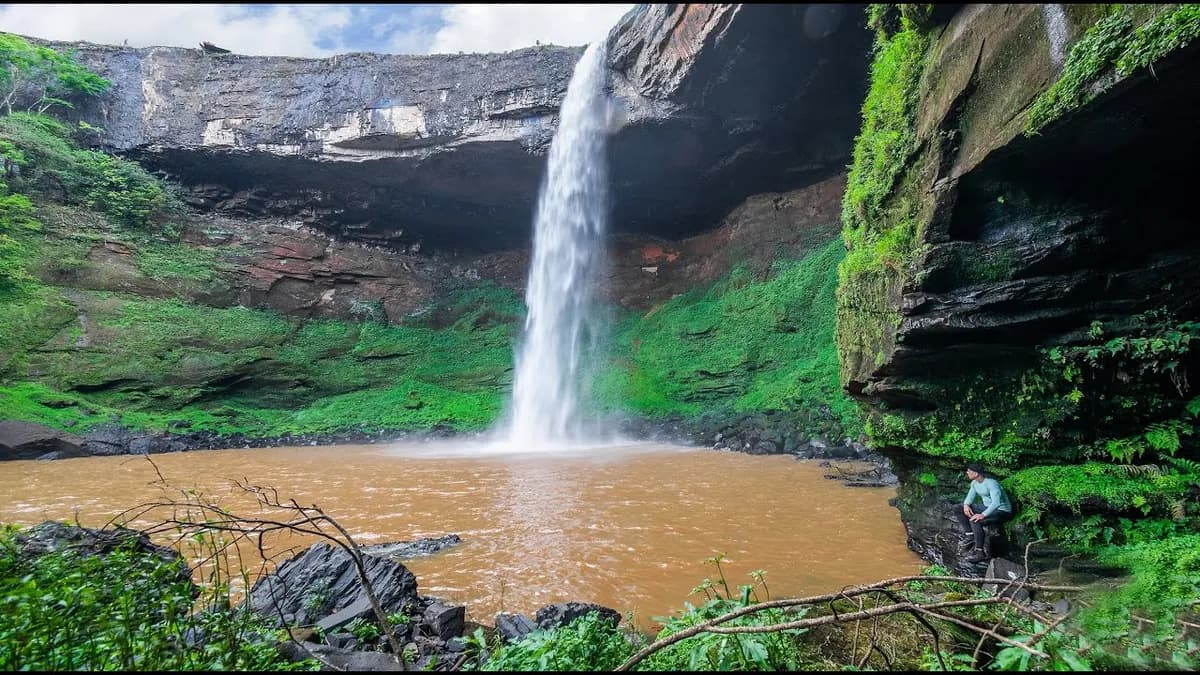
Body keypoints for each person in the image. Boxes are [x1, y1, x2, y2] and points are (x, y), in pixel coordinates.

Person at [955, 463, 1013, 562]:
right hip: (986, 507)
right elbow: (970, 497)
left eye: (969, 471)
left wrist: (982, 515)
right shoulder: (974, 483)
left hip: (1002, 511)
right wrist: (966, 505)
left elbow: (996, 503)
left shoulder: (992, 483)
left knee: (975, 520)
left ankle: (979, 552)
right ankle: (970, 535)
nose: (967, 472)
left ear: (976, 473)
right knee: (958, 508)